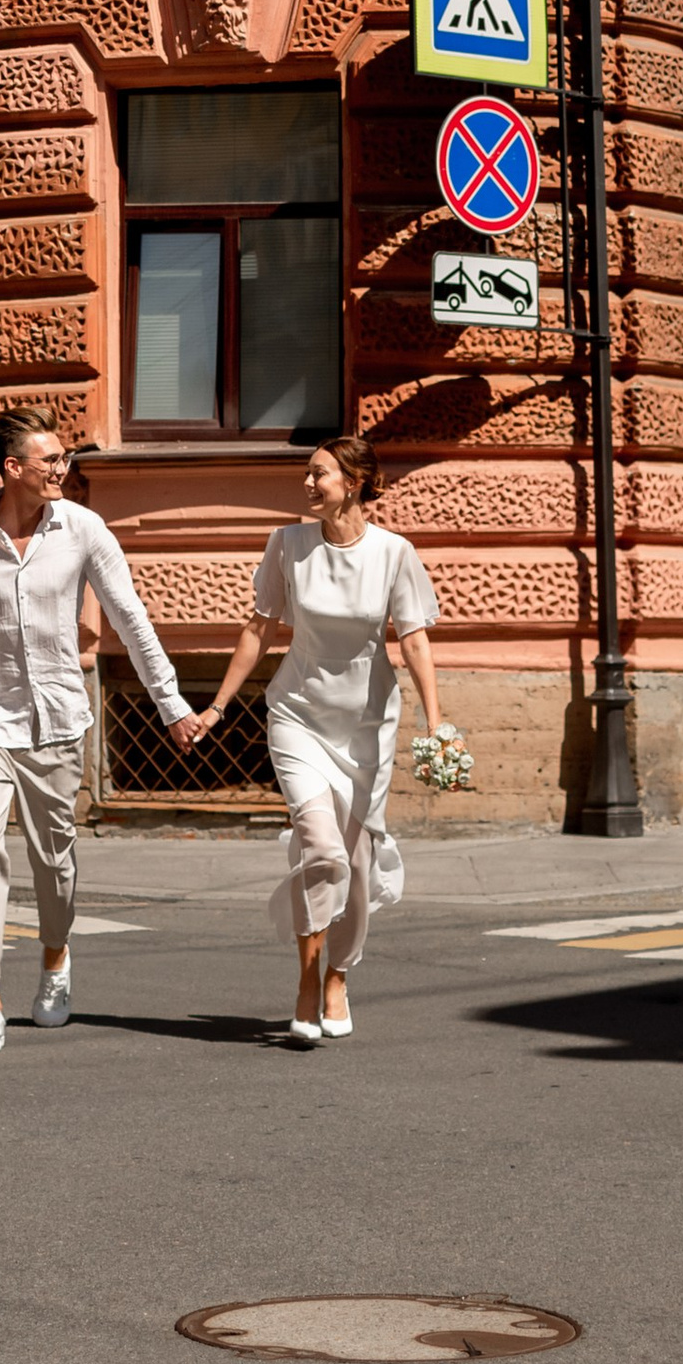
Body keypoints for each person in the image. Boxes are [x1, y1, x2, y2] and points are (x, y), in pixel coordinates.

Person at [0, 409, 198, 1050]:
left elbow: (129, 616)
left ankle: (54, 957)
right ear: (12, 468)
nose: (62, 469)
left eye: (64, 458)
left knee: (54, 860)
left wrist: (172, 703)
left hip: (56, 718)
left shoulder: (82, 528)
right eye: (51, 460)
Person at [194, 436, 443, 1042]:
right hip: (297, 716)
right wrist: (218, 706)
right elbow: (259, 628)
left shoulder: (393, 553)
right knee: (322, 852)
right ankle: (307, 977)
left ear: (354, 483)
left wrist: (436, 725)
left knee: (355, 867)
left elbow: (412, 640)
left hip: (365, 728)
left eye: (319, 474)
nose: (307, 484)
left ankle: (339, 974)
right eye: (307, 474)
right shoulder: (288, 545)